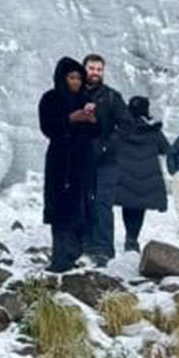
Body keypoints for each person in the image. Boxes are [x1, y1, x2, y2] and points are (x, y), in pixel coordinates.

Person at [39, 57, 98, 272]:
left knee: (82, 207)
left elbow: (96, 132)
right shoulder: (51, 98)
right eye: (71, 78)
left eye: (79, 78)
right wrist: (70, 119)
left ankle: (75, 254)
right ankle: (60, 259)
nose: (76, 82)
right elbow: (47, 127)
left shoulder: (85, 99)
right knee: (61, 209)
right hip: (61, 160)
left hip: (83, 160)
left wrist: (92, 121)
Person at [78, 53, 132, 265]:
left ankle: (102, 250)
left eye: (99, 69)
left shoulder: (111, 97)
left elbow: (127, 125)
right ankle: (81, 246)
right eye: (91, 69)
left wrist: (108, 145)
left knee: (102, 203)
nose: (95, 73)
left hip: (106, 161)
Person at [112, 96, 169, 253]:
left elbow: (109, 146)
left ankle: (128, 238)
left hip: (125, 176)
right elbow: (165, 148)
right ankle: (132, 239)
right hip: (146, 177)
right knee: (139, 208)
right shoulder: (153, 131)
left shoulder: (120, 130)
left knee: (128, 205)